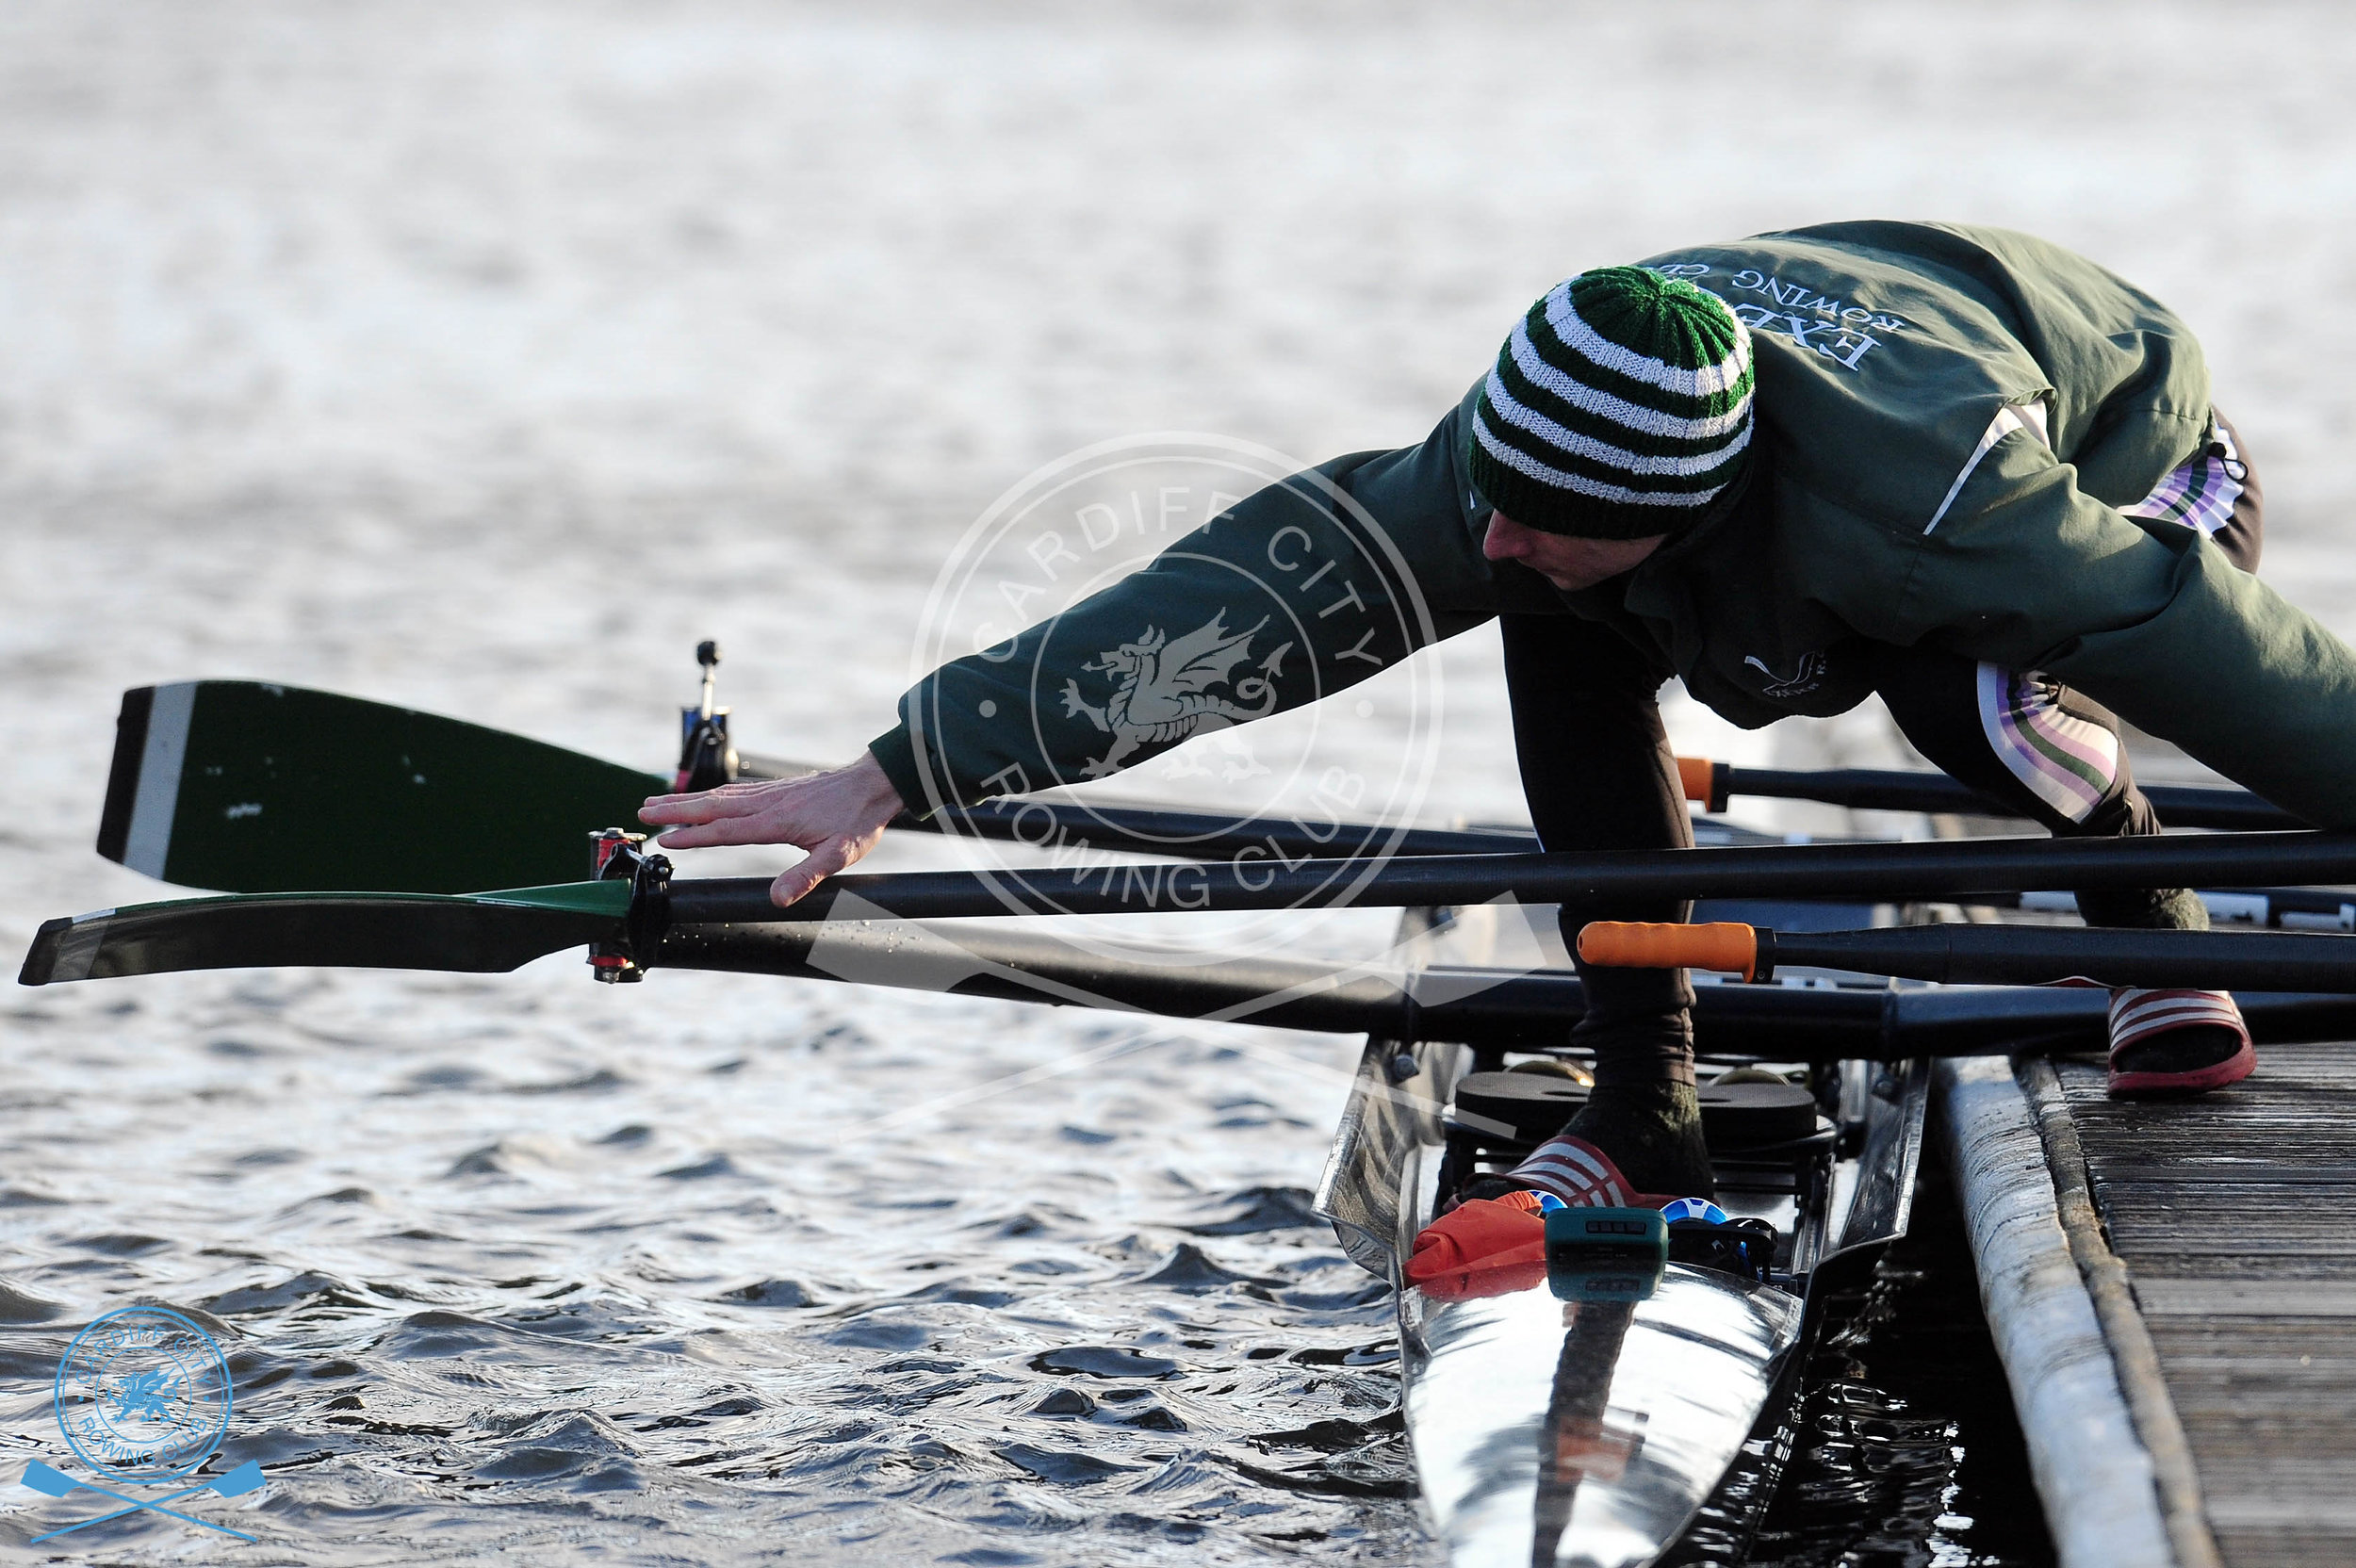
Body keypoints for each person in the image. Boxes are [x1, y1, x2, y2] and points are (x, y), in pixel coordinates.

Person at [642, 220, 2343, 1205]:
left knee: (1957, 686)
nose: (1490, 538)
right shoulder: (1516, 463)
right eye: (1490, 499)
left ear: (1671, 507)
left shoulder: (1951, 501)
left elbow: (2237, 661)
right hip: (1763, 496)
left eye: (1534, 516)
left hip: (2146, 481)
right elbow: (1225, 617)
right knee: (1559, 647)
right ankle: (1648, 1108)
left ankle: (2145, 916)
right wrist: (894, 766)